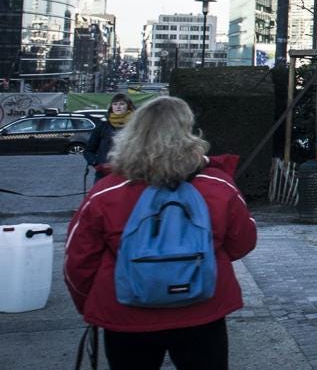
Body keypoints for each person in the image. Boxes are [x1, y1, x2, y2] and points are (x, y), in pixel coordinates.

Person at [63, 96, 257, 370]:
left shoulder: (106, 192)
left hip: (126, 313)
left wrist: (91, 304)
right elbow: (243, 242)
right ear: (188, 133)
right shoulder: (218, 186)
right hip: (202, 309)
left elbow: (78, 261)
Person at [85, 93, 136, 170]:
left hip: (128, 172)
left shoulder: (136, 126)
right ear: (111, 107)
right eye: (115, 104)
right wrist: (96, 162)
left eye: (122, 104)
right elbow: (89, 150)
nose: (118, 107)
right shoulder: (103, 125)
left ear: (128, 106)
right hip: (104, 172)